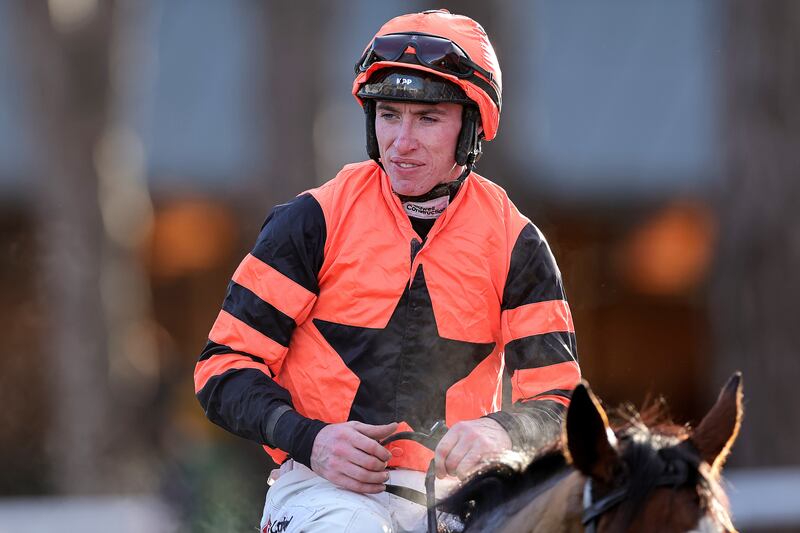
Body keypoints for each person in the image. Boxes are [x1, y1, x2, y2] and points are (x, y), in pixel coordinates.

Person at [194, 9, 580, 533]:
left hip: (460, 497)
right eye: (389, 114)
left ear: (472, 127)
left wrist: (500, 431)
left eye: (428, 119)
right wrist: (310, 439)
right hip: (321, 487)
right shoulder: (310, 221)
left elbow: (560, 403)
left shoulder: (518, 243)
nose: (402, 141)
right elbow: (222, 371)